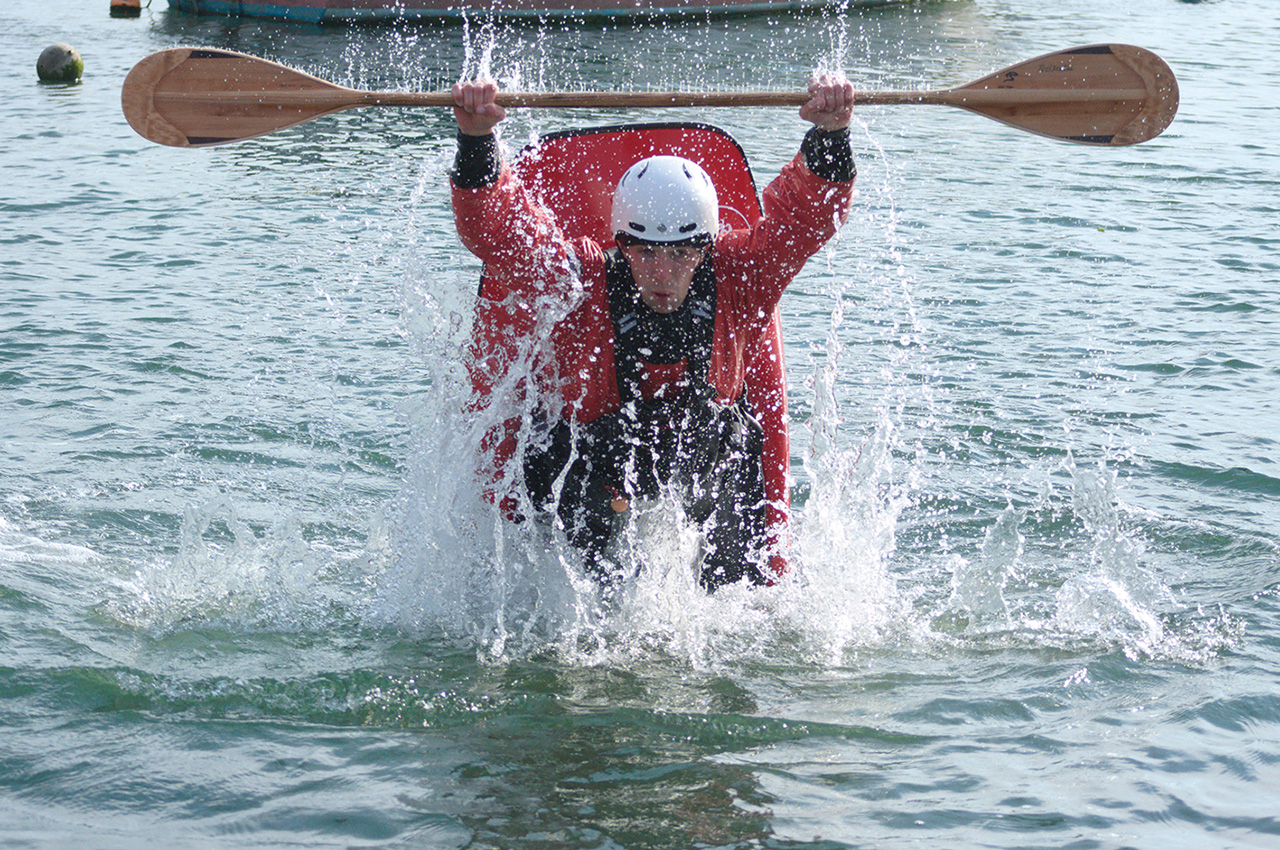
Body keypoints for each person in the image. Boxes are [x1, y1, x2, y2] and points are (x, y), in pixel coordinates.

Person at [451, 74, 856, 591]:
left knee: (745, 575)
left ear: (706, 247)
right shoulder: (578, 282)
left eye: (681, 253)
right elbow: (502, 235)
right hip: (590, 477)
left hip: (705, 470)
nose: (663, 273)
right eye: (645, 252)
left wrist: (831, 133)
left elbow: (806, 221)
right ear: (620, 244)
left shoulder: (743, 275)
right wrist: (477, 141)